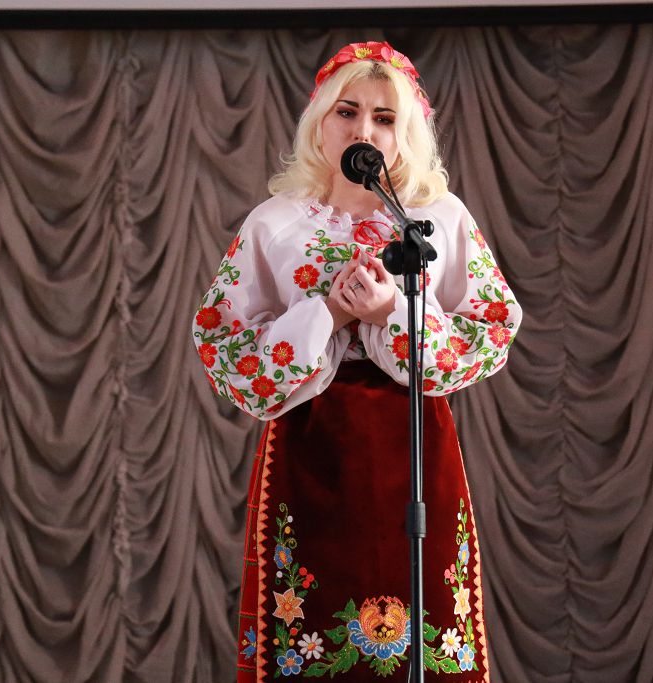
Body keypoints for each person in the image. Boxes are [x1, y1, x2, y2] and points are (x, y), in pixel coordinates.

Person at [193, 41, 522, 681]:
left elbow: (491, 326)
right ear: (320, 121)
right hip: (312, 444)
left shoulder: (436, 220)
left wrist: (390, 312)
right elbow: (222, 340)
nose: (363, 130)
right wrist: (330, 314)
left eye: (383, 117)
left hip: (414, 441)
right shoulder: (276, 223)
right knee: (310, 626)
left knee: (425, 627)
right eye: (347, 112)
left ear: (406, 133)